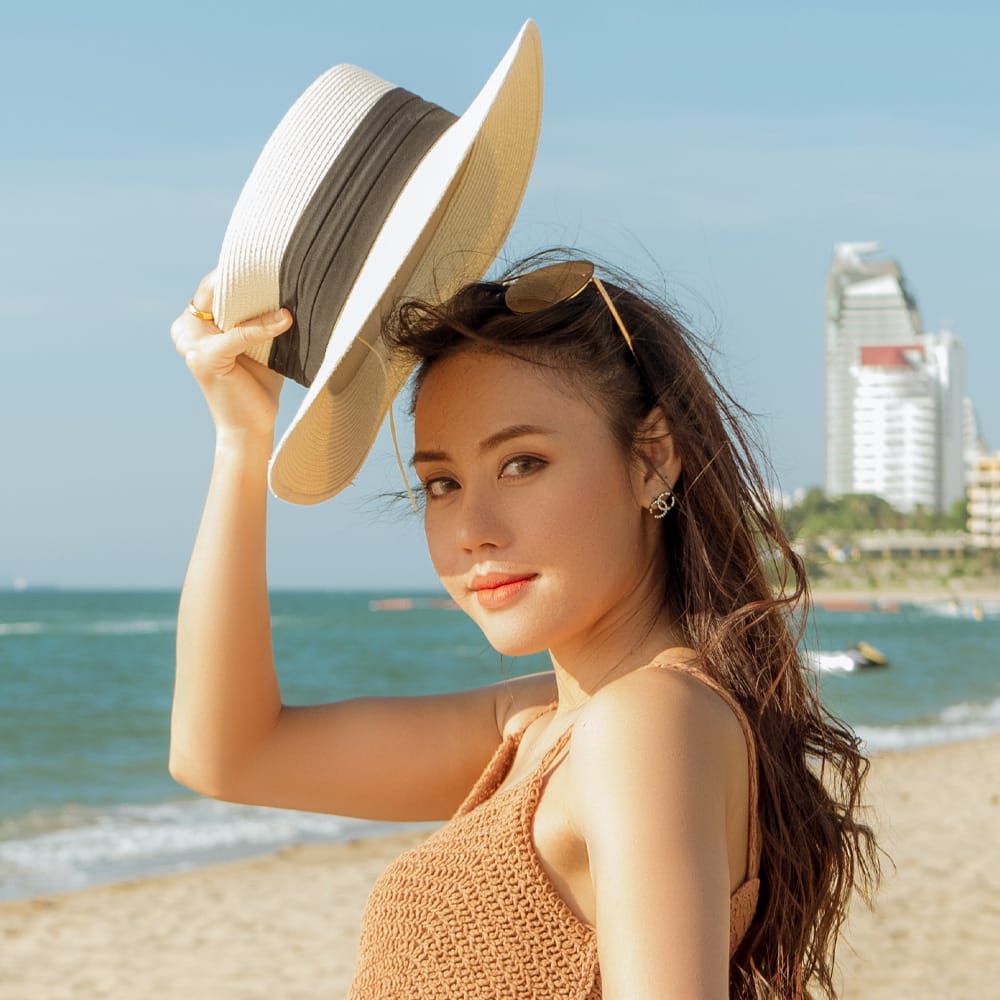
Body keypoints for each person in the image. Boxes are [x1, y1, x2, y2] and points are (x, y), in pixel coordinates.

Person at [169, 253, 878, 999]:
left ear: (651, 459)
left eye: (521, 464)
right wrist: (241, 440)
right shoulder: (542, 726)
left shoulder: (641, 723)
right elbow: (227, 755)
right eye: (442, 484)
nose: (471, 529)